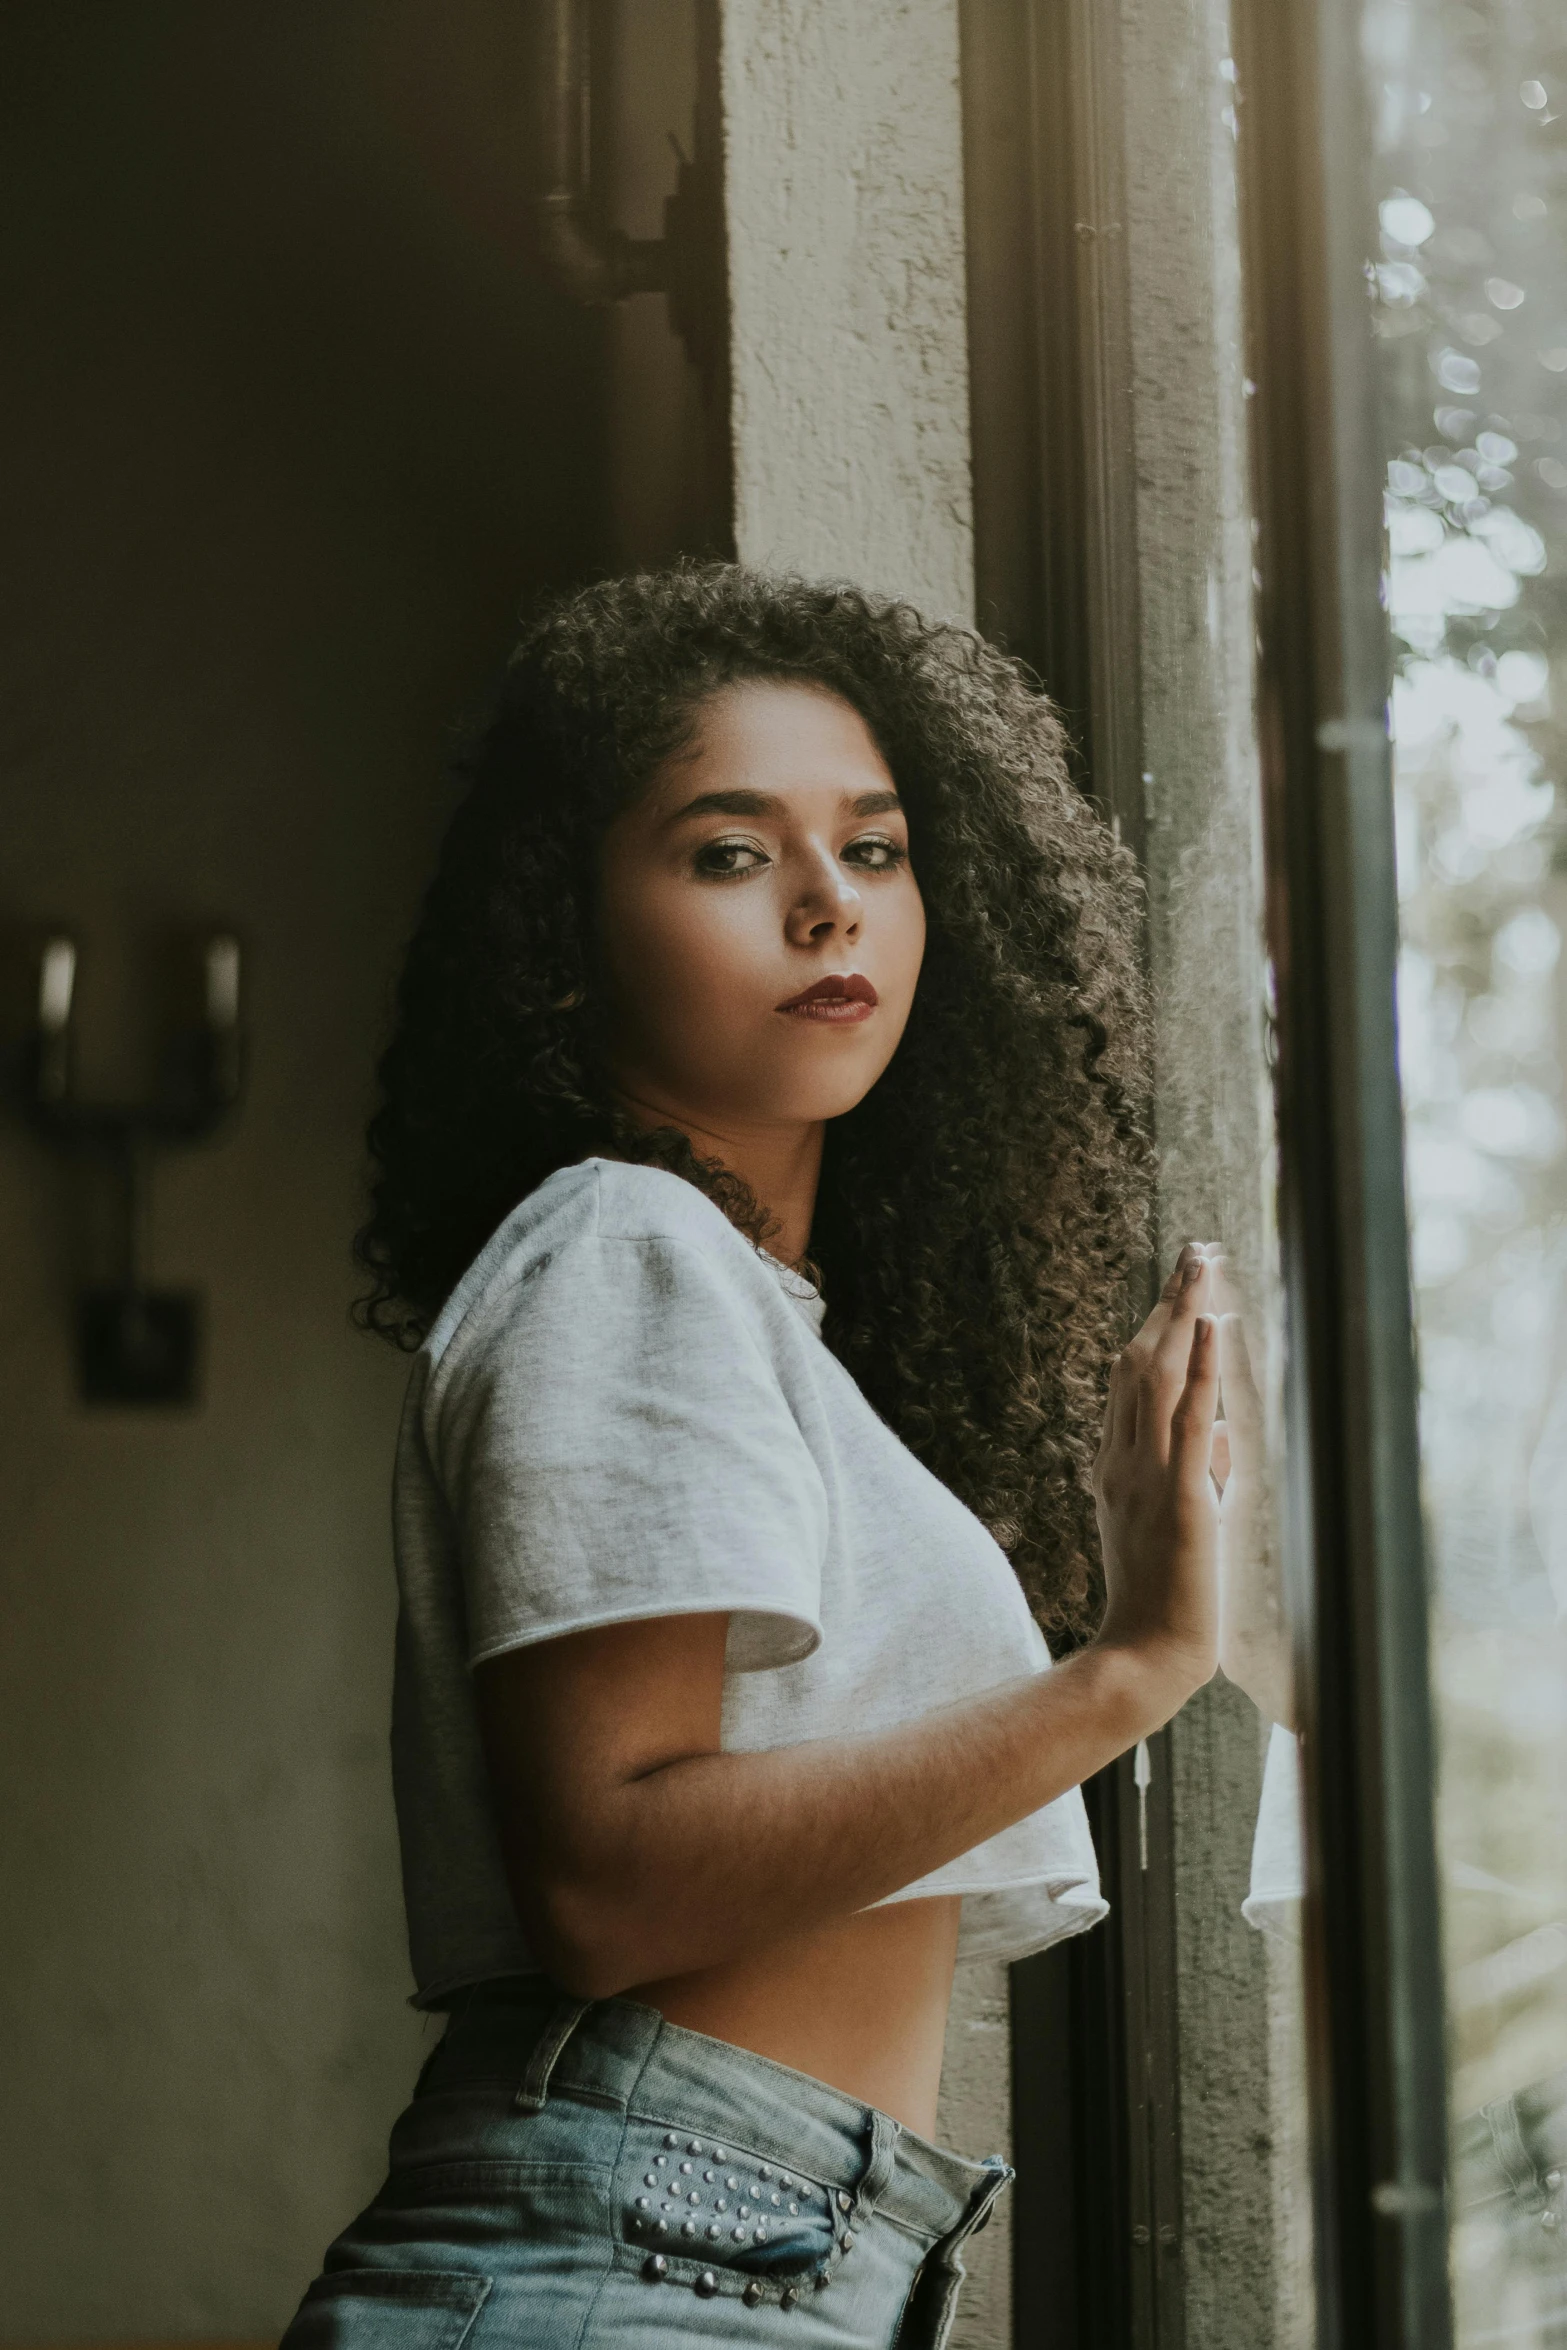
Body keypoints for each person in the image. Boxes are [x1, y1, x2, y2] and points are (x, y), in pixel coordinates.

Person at [279, 565, 1223, 2348]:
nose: (824, 910)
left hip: (743, 2259)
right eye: (728, 852)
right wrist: (1133, 1663)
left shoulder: (750, 1308)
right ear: (570, 931)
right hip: (647, 2266)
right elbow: (611, 1882)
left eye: (873, 850)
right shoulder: (623, 1249)